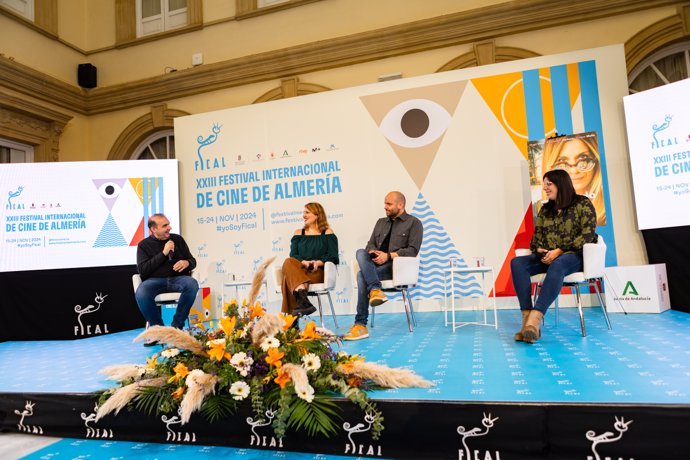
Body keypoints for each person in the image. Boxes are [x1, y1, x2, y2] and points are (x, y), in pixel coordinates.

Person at [510, 169, 597, 344]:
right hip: (549, 256)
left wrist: (560, 250)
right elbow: (535, 240)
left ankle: (535, 319)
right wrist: (541, 250)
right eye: (544, 184)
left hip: (574, 256)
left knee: (559, 263)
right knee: (517, 263)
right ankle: (526, 321)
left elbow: (587, 236)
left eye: (549, 184)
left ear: (561, 184)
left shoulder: (583, 204)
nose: (545, 187)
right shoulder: (545, 209)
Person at [343, 191, 423, 341]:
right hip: (375, 266)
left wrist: (388, 256)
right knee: (360, 252)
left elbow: (413, 250)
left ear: (400, 205)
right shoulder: (380, 222)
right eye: (384, 203)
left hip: (396, 268)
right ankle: (375, 289)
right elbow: (370, 244)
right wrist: (374, 252)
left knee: (361, 276)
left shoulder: (414, 223)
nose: (385, 207)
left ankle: (360, 324)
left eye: (388, 204)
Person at [135, 213, 199, 346]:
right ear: (153, 229)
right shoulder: (143, 245)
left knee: (192, 284)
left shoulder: (178, 239)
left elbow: (193, 261)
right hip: (154, 281)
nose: (169, 227)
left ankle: (176, 328)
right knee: (142, 292)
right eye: (165, 226)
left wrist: (187, 263)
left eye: (168, 224)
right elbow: (143, 270)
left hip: (178, 279)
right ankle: (159, 331)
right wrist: (164, 253)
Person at [280, 202, 339, 318]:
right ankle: (302, 299)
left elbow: (333, 256)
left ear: (317, 215)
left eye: (307, 212)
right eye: (303, 213)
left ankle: (292, 321)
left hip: (318, 273)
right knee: (288, 261)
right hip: (301, 270)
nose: (304, 216)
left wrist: (318, 262)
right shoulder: (298, 233)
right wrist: (303, 262)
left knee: (288, 280)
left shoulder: (327, 233)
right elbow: (293, 256)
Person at [541, 134, 606, 226]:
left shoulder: (605, 210)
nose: (574, 171)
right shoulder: (540, 210)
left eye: (583, 160)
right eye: (562, 163)